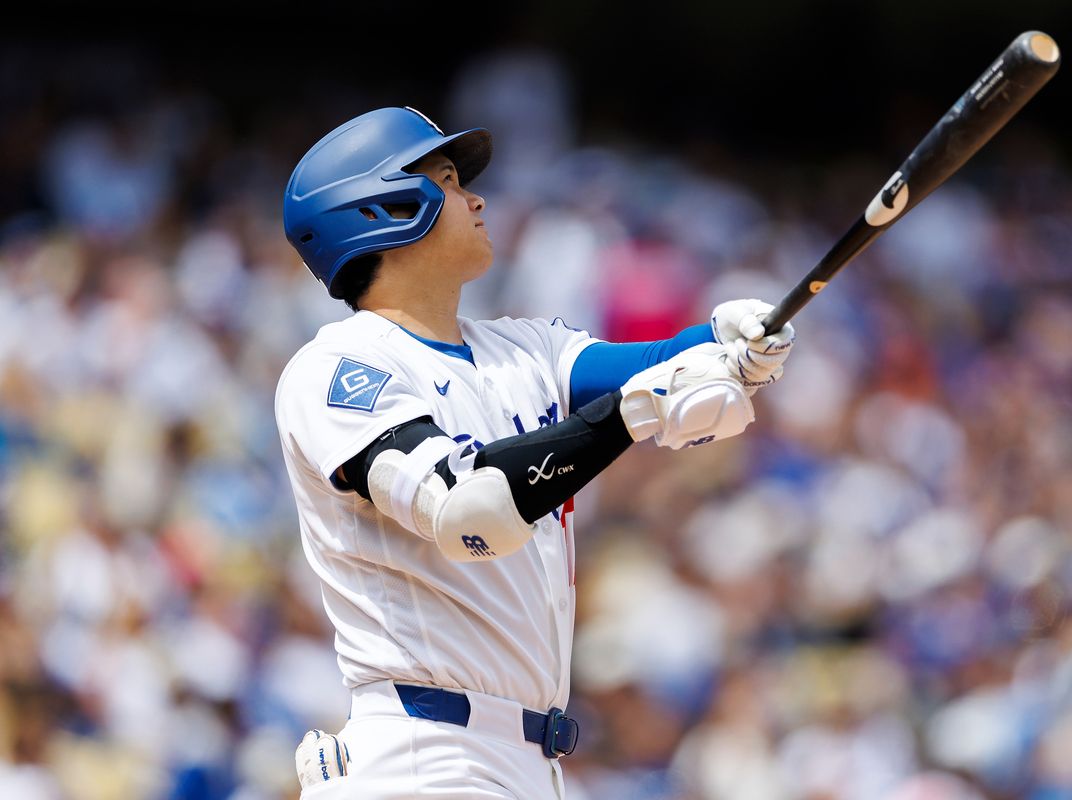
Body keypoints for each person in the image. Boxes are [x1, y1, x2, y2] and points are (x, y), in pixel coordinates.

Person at [275, 106, 795, 799]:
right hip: (423, 755)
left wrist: (736, 344)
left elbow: (658, 364)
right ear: (388, 208)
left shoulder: (524, 349)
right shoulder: (340, 366)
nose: (476, 198)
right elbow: (470, 515)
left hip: (527, 759)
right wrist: (636, 414)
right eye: (451, 181)